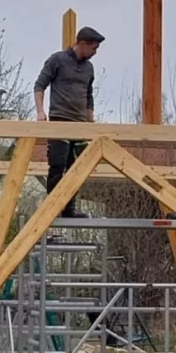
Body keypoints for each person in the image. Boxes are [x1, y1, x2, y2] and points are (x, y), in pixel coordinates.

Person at [33, 26, 105, 218]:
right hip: (60, 119)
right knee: (58, 165)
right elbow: (40, 85)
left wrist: (90, 120)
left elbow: (88, 95)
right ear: (82, 44)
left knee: (77, 168)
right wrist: (40, 112)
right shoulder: (58, 60)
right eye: (93, 48)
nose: (95, 53)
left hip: (79, 123)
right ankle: (53, 207)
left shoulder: (89, 68)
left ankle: (69, 208)